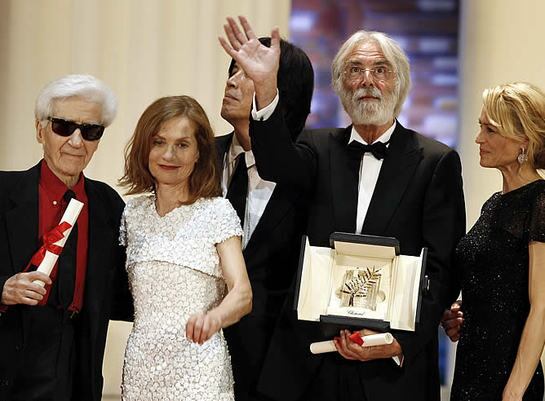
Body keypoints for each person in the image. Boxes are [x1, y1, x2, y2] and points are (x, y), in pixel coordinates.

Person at [219, 16, 466, 401]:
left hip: (392, 373)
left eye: (380, 70)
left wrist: (399, 341)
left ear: (398, 83)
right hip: (309, 367)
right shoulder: (316, 148)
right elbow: (274, 162)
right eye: (355, 70)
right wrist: (266, 89)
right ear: (339, 85)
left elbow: (443, 266)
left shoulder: (436, 162)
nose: (367, 80)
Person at [0, 74, 133, 401]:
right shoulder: (3, 193)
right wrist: (2, 289)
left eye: (90, 131)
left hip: (80, 361)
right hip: (10, 357)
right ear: (39, 129)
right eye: (63, 126)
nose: (76, 141)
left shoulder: (109, 205)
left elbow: (124, 290)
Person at [118, 95, 252, 400]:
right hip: (141, 370)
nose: (169, 154)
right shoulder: (132, 215)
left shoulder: (217, 212)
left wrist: (213, 319)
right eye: (159, 142)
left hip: (200, 367)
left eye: (182, 144)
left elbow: (242, 294)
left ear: (199, 153)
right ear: (145, 148)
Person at [216, 36, 314, 401]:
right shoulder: (199, 159)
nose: (231, 81)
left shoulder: (311, 167)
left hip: (277, 373)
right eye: (232, 70)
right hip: (198, 356)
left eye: (247, 73)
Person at [445, 82, 545, 401]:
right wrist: (460, 311)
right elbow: (494, 281)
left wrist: (514, 392)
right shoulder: (494, 203)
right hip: (470, 368)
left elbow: (542, 304)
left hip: (507, 379)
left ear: (523, 142)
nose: (479, 139)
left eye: (490, 130)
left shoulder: (540, 202)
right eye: (480, 127)